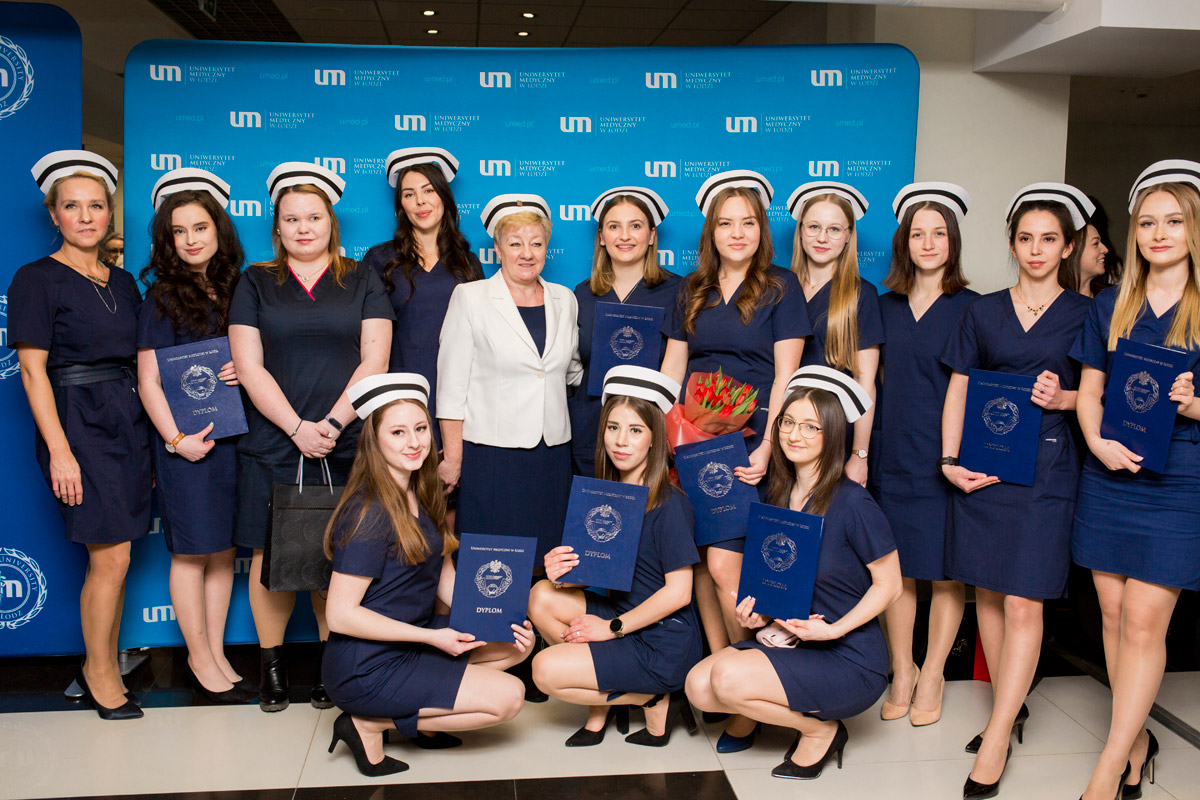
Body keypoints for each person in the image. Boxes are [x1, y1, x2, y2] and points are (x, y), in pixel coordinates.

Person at [939, 183, 1095, 798]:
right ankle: (1009, 708)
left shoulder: (1087, 314)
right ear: (1012, 244)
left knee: (1025, 601)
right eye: (1025, 238)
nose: (1036, 249)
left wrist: (1066, 398)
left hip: (1049, 470)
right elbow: (959, 387)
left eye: (1048, 239)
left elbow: (1105, 397)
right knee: (989, 595)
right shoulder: (982, 311)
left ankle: (999, 734)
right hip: (984, 466)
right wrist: (949, 460)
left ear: (1067, 248)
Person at [228, 161, 393, 713]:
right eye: (291, 219)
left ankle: (331, 666)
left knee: (340, 555)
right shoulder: (255, 281)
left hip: (346, 439)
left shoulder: (362, 278)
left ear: (331, 223)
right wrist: (297, 428)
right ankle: (272, 668)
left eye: (314, 217)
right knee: (268, 555)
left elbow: (375, 360)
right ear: (277, 227)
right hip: (274, 438)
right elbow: (248, 365)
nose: (303, 228)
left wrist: (334, 424)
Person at [684, 366, 901, 781]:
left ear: (831, 434)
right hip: (793, 643)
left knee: (725, 680)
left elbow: (890, 587)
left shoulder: (854, 503)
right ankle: (800, 716)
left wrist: (833, 630)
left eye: (809, 426)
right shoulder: (777, 495)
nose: (794, 435)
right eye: (787, 422)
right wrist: (757, 616)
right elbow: (780, 584)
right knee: (698, 686)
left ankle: (821, 731)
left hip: (847, 656)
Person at [661, 170, 809, 751]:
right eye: (726, 223)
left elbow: (787, 375)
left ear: (762, 230)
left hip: (749, 443)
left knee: (728, 567)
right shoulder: (692, 287)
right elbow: (674, 368)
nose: (737, 233)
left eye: (748, 223)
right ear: (711, 232)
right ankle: (724, 679)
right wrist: (665, 438)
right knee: (700, 563)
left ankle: (752, 685)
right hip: (692, 442)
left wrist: (769, 444)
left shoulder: (780, 287)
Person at [322, 373, 533, 777]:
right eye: (398, 432)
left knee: (515, 646)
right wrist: (432, 638)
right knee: (510, 697)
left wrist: (498, 616)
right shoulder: (368, 513)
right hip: (367, 664)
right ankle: (368, 723)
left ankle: (423, 712)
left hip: (413, 638)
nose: (414, 442)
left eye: (420, 429)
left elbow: (443, 578)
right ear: (375, 440)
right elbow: (340, 615)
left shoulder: (421, 493)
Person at [1072, 160, 1200, 800]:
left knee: (1146, 621)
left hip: (1179, 481)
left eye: (1173, 222)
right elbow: (1089, 393)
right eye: (1147, 223)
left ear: (1194, 228)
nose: (1159, 234)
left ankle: (1110, 764)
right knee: (1114, 613)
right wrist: (1097, 442)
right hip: (1110, 476)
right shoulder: (1110, 304)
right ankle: (1138, 738)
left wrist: (1194, 404)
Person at [7, 150, 151, 720]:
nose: (86, 216)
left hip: (129, 420)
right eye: (72, 206)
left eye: (96, 206)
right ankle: (99, 674)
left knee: (121, 553)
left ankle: (103, 660)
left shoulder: (123, 281)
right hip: (78, 423)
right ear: (54, 214)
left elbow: (144, 359)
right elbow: (32, 371)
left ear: (110, 213)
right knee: (109, 556)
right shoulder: (36, 279)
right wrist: (61, 451)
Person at [530, 366, 702, 747]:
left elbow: (680, 593)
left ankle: (655, 696)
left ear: (655, 439)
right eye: (613, 427)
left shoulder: (670, 504)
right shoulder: (604, 497)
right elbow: (604, 572)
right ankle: (613, 688)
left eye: (635, 430)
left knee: (543, 670)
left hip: (662, 639)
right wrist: (562, 572)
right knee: (540, 595)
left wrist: (611, 628)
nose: (621, 441)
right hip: (621, 616)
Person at [136, 168, 251, 703]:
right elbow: (148, 380)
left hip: (234, 442)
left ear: (218, 230)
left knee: (223, 552)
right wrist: (175, 439)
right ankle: (199, 659)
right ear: (167, 240)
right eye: (178, 232)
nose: (190, 240)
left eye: (199, 228)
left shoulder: (238, 287)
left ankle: (217, 653)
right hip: (187, 448)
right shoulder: (161, 296)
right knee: (190, 554)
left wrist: (243, 369)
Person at [873, 183, 978, 727]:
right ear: (904, 242)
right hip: (891, 451)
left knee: (944, 571)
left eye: (939, 234)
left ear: (953, 241)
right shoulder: (882, 306)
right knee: (896, 571)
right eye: (919, 234)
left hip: (946, 457)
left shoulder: (974, 308)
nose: (929, 243)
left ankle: (933, 672)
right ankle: (903, 669)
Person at [437, 194, 582, 564]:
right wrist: (453, 457)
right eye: (515, 244)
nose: (527, 253)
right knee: (492, 565)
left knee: (549, 559)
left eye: (536, 243)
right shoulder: (470, 298)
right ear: (498, 250)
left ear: (547, 247)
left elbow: (571, 371)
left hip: (552, 454)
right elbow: (451, 387)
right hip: (492, 456)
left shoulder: (565, 299)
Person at [361, 147, 483, 449]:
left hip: (459, 401)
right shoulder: (380, 259)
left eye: (428, 190)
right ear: (400, 205)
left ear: (444, 197)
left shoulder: (468, 263)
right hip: (397, 396)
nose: (420, 201)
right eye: (409, 194)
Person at [569, 187, 682, 475]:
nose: (624, 236)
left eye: (635, 226)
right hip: (591, 425)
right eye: (614, 227)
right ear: (601, 237)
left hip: (648, 428)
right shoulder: (582, 294)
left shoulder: (678, 291)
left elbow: (677, 367)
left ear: (652, 235)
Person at [788, 181, 884, 487]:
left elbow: (865, 381)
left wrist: (859, 454)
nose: (822, 238)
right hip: (782, 430)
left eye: (834, 229)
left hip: (832, 433)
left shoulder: (861, 295)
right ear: (801, 230)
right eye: (814, 227)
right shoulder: (778, 288)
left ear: (848, 236)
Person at [1078, 197, 1123, 299]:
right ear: (1070, 250)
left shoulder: (1111, 298)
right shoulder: (1053, 301)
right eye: (1095, 243)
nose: (1105, 249)